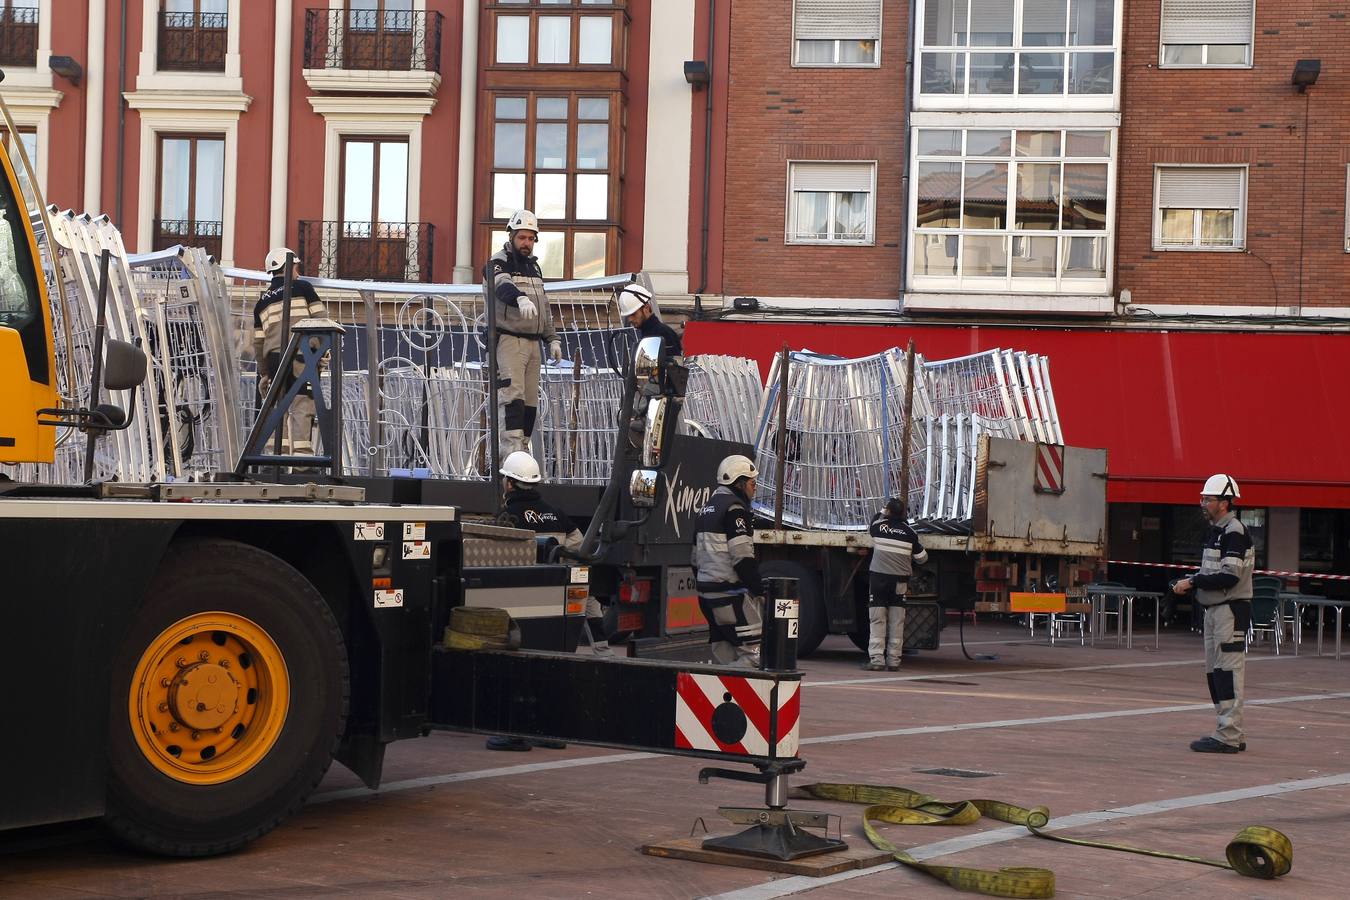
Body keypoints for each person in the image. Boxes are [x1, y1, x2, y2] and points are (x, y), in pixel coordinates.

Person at [486, 451, 609, 752]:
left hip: (520, 603)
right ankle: (549, 732)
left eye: (505, 479)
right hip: (557, 606)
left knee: (515, 667)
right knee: (552, 666)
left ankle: (514, 733)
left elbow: (497, 561)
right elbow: (581, 552)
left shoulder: (508, 517)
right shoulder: (557, 515)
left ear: (511, 485)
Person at [1172, 474, 1255, 754]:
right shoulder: (1219, 531)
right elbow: (1214, 573)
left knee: (1227, 672)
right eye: (1203, 498)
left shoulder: (1234, 531)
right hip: (1217, 610)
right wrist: (1192, 579)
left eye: (1207, 499)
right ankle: (1227, 730)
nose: (1203, 503)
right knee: (1216, 673)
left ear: (1223, 502)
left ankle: (1229, 735)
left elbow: (1230, 576)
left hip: (1229, 611)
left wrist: (1193, 582)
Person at [485, 210, 562, 458]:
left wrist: (552, 338)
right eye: (522, 238)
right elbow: (501, 284)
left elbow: (543, 307)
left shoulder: (534, 267)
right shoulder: (499, 261)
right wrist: (518, 297)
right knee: (512, 399)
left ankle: (523, 448)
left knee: (529, 403)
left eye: (530, 238)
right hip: (510, 339)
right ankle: (510, 453)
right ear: (512, 236)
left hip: (532, 343)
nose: (526, 243)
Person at [252, 248, 328, 456]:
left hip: (274, 359)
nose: (298, 272)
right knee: (302, 402)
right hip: (301, 355)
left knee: (278, 406)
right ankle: (302, 460)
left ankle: (277, 456)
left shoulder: (262, 302)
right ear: (288, 267)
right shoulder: (302, 287)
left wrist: (264, 372)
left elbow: (258, 343)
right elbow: (321, 319)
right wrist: (323, 351)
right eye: (296, 266)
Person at [692, 455, 764, 667]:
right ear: (739, 483)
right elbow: (742, 559)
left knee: (724, 656)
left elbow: (694, 559)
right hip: (729, 594)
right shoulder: (734, 510)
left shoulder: (706, 509)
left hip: (707, 595)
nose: (754, 489)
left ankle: (720, 698)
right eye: (752, 483)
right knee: (754, 657)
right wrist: (760, 590)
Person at [866, 497, 928, 671]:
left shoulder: (878, 527)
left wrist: (882, 512)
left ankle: (876, 660)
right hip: (899, 582)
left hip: (878, 580)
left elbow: (873, 522)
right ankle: (894, 661)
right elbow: (922, 559)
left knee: (877, 619)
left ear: (888, 512)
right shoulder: (910, 533)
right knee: (897, 621)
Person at [617, 282, 682, 356]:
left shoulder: (664, 333)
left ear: (646, 308)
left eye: (633, 314)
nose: (630, 319)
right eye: (628, 316)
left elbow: (675, 365)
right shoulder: (646, 333)